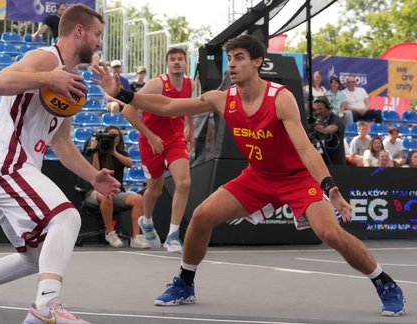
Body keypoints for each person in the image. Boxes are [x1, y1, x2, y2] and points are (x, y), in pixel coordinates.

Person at [92, 34, 406, 316]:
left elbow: (306, 148)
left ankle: (385, 283)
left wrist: (330, 187)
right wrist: (123, 93)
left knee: (330, 234)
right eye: (230, 59)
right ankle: (185, 283)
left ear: (258, 62)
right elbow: (169, 105)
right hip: (257, 176)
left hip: (296, 177)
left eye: (240, 58)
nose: (232, 64)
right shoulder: (221, 98)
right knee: (201, 216)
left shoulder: (280, 98)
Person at [0, 5, 118, 324]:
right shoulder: (47, 59)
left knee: (36, 257)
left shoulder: (70, 84)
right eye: (97, 34)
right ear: (79, 31)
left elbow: (60, 142)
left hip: (6, 172)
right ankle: (47, 306)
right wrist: (50, 77)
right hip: (7, 166)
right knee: (66, 217)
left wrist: (94, 176)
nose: (100, 42)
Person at [120, 47, 194, 253]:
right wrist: (151, 136)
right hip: (151, 141)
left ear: (185, 63)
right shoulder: (156, 85)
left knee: (184, 182)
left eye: (181, 59)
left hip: (175, 139)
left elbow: (187, 106)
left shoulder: (190, 83)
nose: (177, 62)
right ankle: (147, 220)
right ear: (167, 64)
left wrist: (191, 129)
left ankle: (172, 234)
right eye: (173, 59)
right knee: (155, 189)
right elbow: (128, 110)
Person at [83, 125, 150, 249]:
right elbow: (95, 172)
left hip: (116, 192)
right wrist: (96, 152)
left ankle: (136, 237)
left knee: (139, 199)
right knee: (106, 195)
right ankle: (110, 232)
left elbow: (129, 163)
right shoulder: (97, 151)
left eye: (116, 136)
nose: (114, 138)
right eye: (111, 135)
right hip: (95, 192)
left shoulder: (120, 153)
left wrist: (113, 152)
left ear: (119, 138)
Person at [311, 96, 345, 165]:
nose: (317, 111)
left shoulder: (336, 119)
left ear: (328, 108)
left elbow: (333, 128)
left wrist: (323, 130)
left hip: (335, 161)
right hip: (319, 160)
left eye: (320, 109)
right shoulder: (313, 120)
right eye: (315, 109)